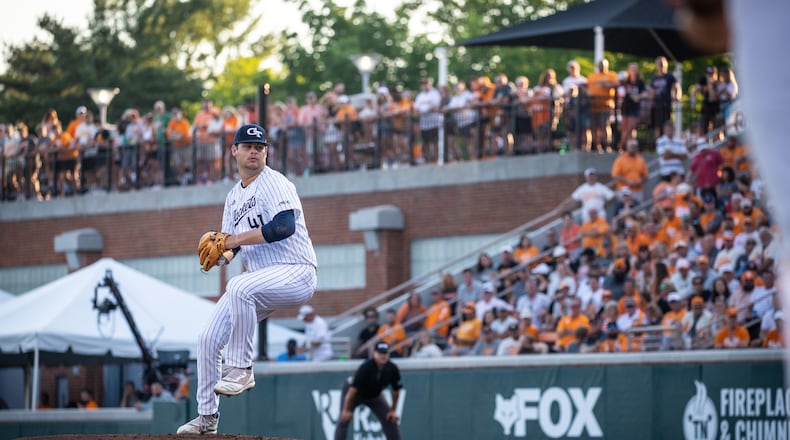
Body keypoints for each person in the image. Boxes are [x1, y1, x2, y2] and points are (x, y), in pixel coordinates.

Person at [178, 124, 318, 435]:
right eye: (247, 145)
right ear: (234, 151)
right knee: (208, 338)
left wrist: (230, 242)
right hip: (261, 281)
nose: (254, 151)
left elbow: (284, 227)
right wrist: (222, 256)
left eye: (260, 147)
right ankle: (206, 419)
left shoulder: (274, 182)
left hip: (296, 270)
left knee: (239, 286)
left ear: (266, 152)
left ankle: (242, 367)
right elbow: (233, 244)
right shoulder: (232, 198)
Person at [335, 342, 403, 440]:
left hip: (374, 395)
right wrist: (346, 410)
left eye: (385, 353)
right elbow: (352, 391)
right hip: (355, 394)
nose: (383, 356)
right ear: (374, 354)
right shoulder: (366, 367)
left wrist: (393, 410)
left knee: (390, 419)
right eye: (380, 353)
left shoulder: (392, 368)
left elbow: (396, 391)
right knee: (344, 419)